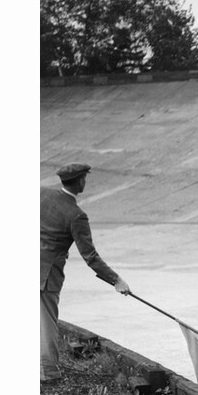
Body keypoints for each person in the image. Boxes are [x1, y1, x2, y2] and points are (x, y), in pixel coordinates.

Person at [40, 163, 130, 382]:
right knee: (46, 323)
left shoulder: (42, 194)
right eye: (85, 179)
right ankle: (49, 373)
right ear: (80, 181)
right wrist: (116, 280)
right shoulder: (76, 215)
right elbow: (90, 257)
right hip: (46, 275)